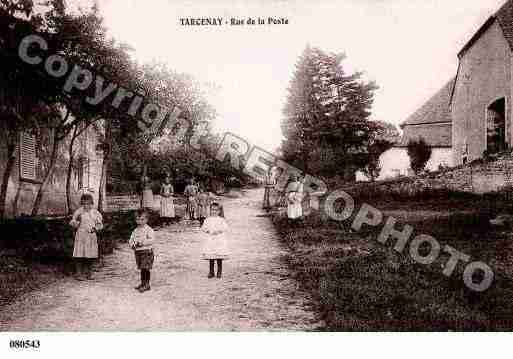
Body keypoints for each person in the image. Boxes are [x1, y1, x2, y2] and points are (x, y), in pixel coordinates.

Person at [69, 194, 103, 280]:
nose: (86, 206)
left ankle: (89, 273)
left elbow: (100, 224)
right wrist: (77, 222)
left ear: (92, 203)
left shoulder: (95, 213)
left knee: (90, 255)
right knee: (79, 254)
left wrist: (95, 229)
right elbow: (72, 222)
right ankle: (79, 273)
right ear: (82, 204)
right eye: (84, 204)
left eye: (88, 204)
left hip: (91, 236)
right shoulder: (79, 212)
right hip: (81, 235)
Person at [129, 209, 155, 293]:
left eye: (142, 219)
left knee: (145, 268)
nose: (140, 221)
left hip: (147, 252)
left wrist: (142, 243)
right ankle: (142, 283)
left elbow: (152, 240)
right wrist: (132, 244)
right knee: (141, 268)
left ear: (146, 219)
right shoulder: (135, 230)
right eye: (137, 219)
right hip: (138, 252)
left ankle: (146, 284)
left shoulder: (149, 230)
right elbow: (131, 239)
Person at [201, 202, 229, 278]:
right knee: (211, 256)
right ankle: (211, 271)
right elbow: (203, 227)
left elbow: (225, 228)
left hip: (219, 239)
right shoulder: (208, 219)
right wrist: (207, 231)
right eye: (212, 210)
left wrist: (218, 231)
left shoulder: (221, 220)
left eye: (216, 210)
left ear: (219, 211)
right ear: (210, 210)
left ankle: (219, 272)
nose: (214, 211)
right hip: (211, 239)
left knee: (219, 256)